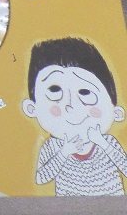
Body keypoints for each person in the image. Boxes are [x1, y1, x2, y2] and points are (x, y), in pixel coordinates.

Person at [22, 37, 127, 196]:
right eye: (55, 90)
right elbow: (41, 178)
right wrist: (64, 152)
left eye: (85, 92)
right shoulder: (52, 147)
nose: (71, 105)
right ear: (32, 109)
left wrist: (103, 143)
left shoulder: (108, 143)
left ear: (116, 113)